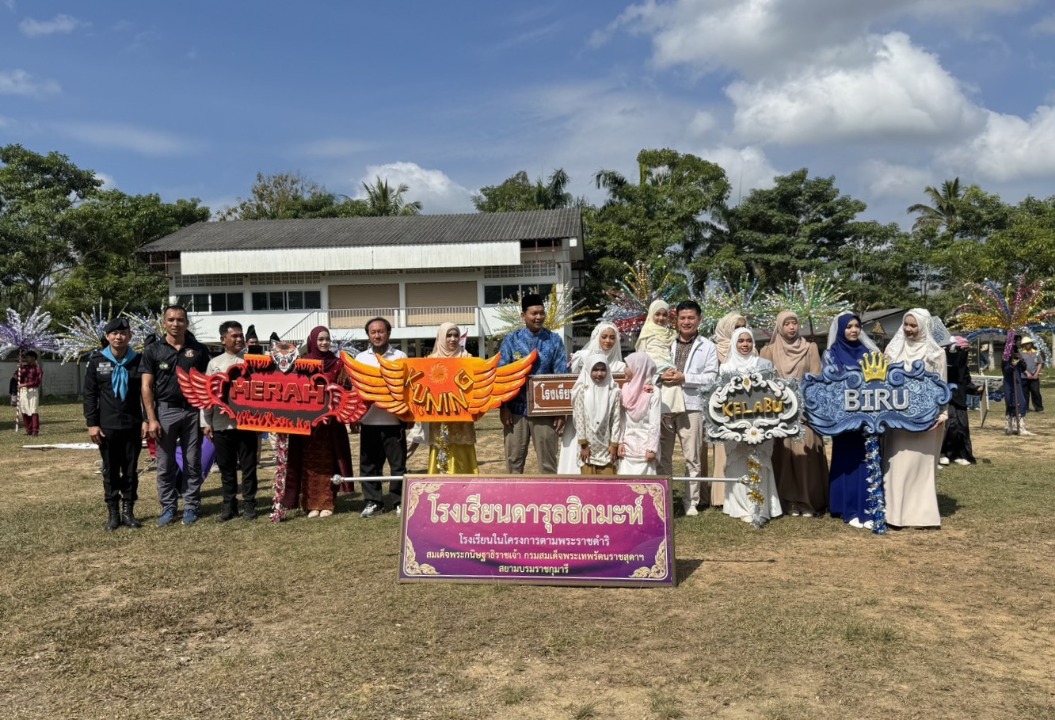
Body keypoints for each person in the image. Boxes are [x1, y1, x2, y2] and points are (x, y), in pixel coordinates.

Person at [141, 305, 211, 526]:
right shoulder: (153, 350)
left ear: (187, 323)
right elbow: (146, 387)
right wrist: (151, 419)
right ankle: (168, 507)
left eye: (180, 320)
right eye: (171, 320)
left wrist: (206, 417)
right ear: (164, 323)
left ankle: (191, 505)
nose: (175, 324)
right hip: (165, 411)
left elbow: (207, 384)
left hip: (193, 411)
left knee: (193, 461)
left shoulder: (199, 350)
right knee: (165, 463)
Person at [280, 326, 355, 518]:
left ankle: (327, 503)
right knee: (308, 462)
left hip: (330, 424)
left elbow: (346, 389)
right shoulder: (302, 363)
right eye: (320, 339)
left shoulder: (338, 363)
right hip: (307, 424)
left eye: (327, 339)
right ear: (313, 341)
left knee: (328, 460)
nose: (324, 343)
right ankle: (311, 504)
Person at [759, 310, 829, 517]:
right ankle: (787, 501)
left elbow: (816, 379)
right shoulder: (768, 351)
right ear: (780, 326)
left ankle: (808, 500)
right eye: (787, 323)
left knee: (805, 454)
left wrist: (804, 407)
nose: (791, 327)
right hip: (778, 413)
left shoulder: (810, 348)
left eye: (794, 323)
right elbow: (763, 383)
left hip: (805, 413)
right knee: (783, 455)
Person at [883, 309, 946, 529]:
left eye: (913, 325)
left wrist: (941, 413)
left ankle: (922, 516)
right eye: (906, 325)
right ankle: (894, 515)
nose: (908, 329)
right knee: (898, 464)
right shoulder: (892, 350)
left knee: (920, 466)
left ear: (924, 326)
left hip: (926, 420)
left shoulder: (936, 353)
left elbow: (942, 385)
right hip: (897, 420)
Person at [83, 318, 146, 531]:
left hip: (132, 424)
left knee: (130, 469)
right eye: (114, 333)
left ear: (130, 336)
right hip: (107, 425)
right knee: (110, 470)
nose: (119, 337)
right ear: (107, 336)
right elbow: (90, 394)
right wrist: (92, 423)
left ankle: (128, 511)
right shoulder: (97, 361)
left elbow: (147, 393)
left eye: (123, 333)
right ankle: (113, 514)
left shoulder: (138, 361)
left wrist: (146, 419)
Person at [659, 300, 718, 516]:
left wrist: (685, 378)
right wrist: (661, 376)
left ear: (699, 320)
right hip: (665, 404)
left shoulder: (708, 346)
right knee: (663, 455)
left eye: (691, 318)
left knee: (692, 456)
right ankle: (663, 498)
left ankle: (691, 501)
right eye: (682, 318)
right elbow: (652, 368)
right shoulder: (666, 342)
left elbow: (711, 377)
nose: (686, 322)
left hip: (692, 406)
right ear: (676, 320)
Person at [499, 294, 569, 474]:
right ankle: (514, 493)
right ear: (523, 315)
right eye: (534, 313)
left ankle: (550, 493)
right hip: (515, 411)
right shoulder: (511, 340)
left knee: (548, 464)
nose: (539, 317)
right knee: (514, 462)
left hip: (545, 410)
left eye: (542, 313)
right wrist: (503, 407)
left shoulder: (554, 340)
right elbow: (502, 374)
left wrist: (561, 411)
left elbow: (561, 375)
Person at [824, 313, 881, 529]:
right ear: (840, 329)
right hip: (845, 419)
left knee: (866, 459)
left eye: (857, 326)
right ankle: (846, 506)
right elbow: (829, 383)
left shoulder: (870, 353)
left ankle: (867, 506)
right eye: (849, 327)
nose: (854, 330)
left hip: (869, 417)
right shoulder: (831, 354)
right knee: (847, 460)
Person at [721, 328, 781, 523]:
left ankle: (761, 508)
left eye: (748, 341)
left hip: (761, 423)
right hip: (735, 424)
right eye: (741, 341)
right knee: (738, 462)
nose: (745, 344)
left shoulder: (764, 365)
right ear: (734, 344)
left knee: (760, 461)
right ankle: (740, 507)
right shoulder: (725, 368)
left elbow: (774, 392)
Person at [202, 321, 260, 521]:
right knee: (226, 468)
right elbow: (207, 395)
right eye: (234, 336)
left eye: (240, 335)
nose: (238, 339)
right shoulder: (214, 363)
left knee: (249, 466)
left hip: (247, 423)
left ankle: (250, 504)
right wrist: (206, 422)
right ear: (223, 339)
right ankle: (229, 505)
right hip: (222, 424)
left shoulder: (253, 361)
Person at [356, 318, 409, 516]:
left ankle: (399, 501)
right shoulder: (361, 358)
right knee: (369, 464)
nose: (377, 335)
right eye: (373, 332)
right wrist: (355, 417)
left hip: (394, 421)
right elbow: (356, 389)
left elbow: (408, 389)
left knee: (398, 465)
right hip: (368, 420)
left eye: (381, 331)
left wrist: (408, 417)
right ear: (368, 335)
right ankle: (373, 502)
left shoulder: (400, 356)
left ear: (388, 333)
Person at [557, 322, 625, 473]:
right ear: (597, 337)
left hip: (607, 429)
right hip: (584, 426)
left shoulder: (620, 366)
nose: (608, 341)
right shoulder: (584, 357)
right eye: (604, 337)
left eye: (612, 338)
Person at [412, 322, 479, 474]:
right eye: (448, 335)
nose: (453, 339)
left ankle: (465, 480)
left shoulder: (467, 358)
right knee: (441, 443)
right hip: (439, 414)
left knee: (462, 445)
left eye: (456, 335)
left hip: (461, 415)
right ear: (441, 337)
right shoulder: (430, 360)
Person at [710, 311, 747, 505]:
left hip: (748, 408)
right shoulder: (715, 350)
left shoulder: (750, 348)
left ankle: (746, 491)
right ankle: (722, 496)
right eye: (736, 327)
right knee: (723, 452)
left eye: (743, 327)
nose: (740, 331)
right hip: (723, 408)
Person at [571, 354, 624, 475]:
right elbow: (580, 419)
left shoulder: (613, 392)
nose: (599, 374)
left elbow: (616, 419)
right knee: (588, 482)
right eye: (595, 370)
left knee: (608, 481)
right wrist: (583, 445)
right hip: (588, 449)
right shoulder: (582, 391)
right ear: (588, 370)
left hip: (607, 448)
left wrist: (614, 444)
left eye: (602, 370)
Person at [635, 299, 683, 414]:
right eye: (657, 314)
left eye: (664, 315)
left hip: (669, 372)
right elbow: (641, 357)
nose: (661, 318)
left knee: (670, 410)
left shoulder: (672, 334)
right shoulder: (646, 332)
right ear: (651, 314)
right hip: (652, 375)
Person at [617, 352, 661, 475]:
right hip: (627, 447)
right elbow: (622, 419)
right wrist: (620, 442)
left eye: (627, 366)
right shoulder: (625, 389)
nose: (624, 369)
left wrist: (652, 448)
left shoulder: (653, 392)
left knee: (645, 483)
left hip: (645, 448)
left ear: (638, 368)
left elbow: (654, 422)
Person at [941, 336, 981, 465]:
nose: (964, 352)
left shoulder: (963, 365)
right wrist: (951, 352)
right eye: (962, 349)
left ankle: (959, 454)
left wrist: (976, 389)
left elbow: (966, 381)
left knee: (962, 426)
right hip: (948, 397)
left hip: (961, 398)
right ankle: (943, 453)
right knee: (950, 425)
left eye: (966, 350)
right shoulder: (946, 361)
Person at [1002, 343, 1031, 436]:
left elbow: (1023, 368)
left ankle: (1018, 426)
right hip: (1009, 384)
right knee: (1012, 403)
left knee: (1020, 403)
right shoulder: (1005, 357)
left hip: (1017, 382)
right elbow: (1006, 370)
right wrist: (1012, 365)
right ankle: (1010, 427)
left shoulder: (1017, 355)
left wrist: (1021, 361)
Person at [17, 350, 43, 436]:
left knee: (33, 410)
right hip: (23, 391)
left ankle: (35, 430)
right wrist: (18, 371)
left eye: (28, 357)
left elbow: (37, 382)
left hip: (33, 391)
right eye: (26, 357)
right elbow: (16, 377)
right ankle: (28, 430)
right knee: (24, 410)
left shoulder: (38, 369)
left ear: (33, 358)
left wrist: (25, 384)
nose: (26, 359)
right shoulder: (23, 368)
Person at [1020, 336, 1044, 412]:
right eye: (1025, 344)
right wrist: (1027, 373)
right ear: (1023, 345)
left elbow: (1040, 363)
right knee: (1025, 393)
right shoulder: (1020, 353)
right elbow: (1019, 365)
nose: (1027, 345)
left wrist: (1036, 374)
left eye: (1028, 343)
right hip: (1024, 377)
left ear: (1031, 344)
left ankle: (1039, 408)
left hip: (1034, 377)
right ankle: (1025, 408)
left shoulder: (1036, 353)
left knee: (1036, 392)